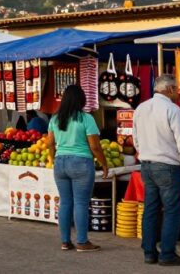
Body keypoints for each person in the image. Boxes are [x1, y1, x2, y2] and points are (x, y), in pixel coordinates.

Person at [132, 74, 180, 267]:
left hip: (147, 165)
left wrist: (145, 153)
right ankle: (167, 254)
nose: (179, 92)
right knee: (172, 210)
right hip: (167, 167)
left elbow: (135, 140)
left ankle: (149, 253)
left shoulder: (141, 108)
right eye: (177, 89)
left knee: (151, 209)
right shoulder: (173, 110)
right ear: (170, 89)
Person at [44, 84, 108, 252]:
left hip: (60, 162)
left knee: (65, 202)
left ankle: (65, 241)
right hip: (81, 163)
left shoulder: (55, 119)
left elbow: (49, 143)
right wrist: (104, 163)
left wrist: (53, 158)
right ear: (82, 100)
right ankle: (82, 241)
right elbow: (95, 146)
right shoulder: (86, 118)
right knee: (81, 202)